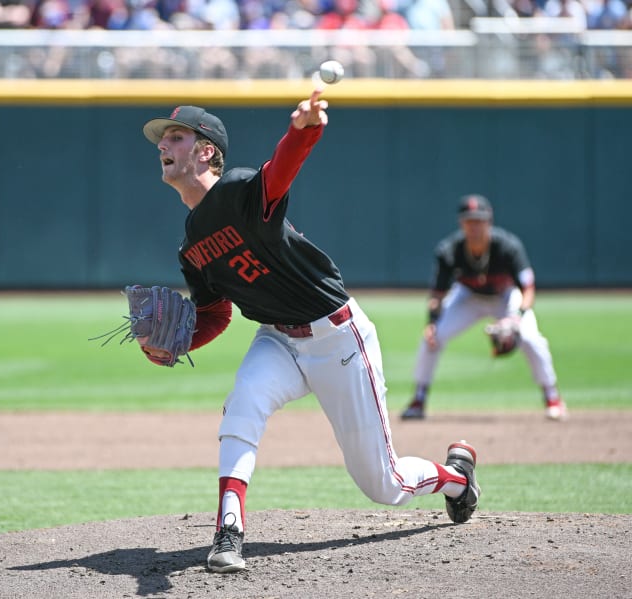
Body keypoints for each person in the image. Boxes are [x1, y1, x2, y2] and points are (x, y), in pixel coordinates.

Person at [140, 93, 481, 574]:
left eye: (175, 137)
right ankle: (229, 531)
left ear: (206, 151)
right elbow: (216, 315)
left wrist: (303, 129)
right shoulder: (191, 244)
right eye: (162, 140)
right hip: (278, 339)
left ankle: (457, 479)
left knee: (384, 484)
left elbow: (281, 170)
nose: (163, 146)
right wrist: (173, 344)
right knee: (242, 403)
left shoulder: (239, 190)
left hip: (338, 338)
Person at [401, 194, 567, 422]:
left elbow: (528, 289)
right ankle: (418, 399)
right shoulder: (449, 250)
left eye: (479, 220)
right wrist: (431, 322)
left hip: (505, 297)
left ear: (489, 222)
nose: (475, 226)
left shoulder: (508, 247)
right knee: (433, 337)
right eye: (469, 221)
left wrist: (517, 318)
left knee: (530, 338)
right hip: (468, 298)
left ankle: (552, 397)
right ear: (461, 224)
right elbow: (437, 295)